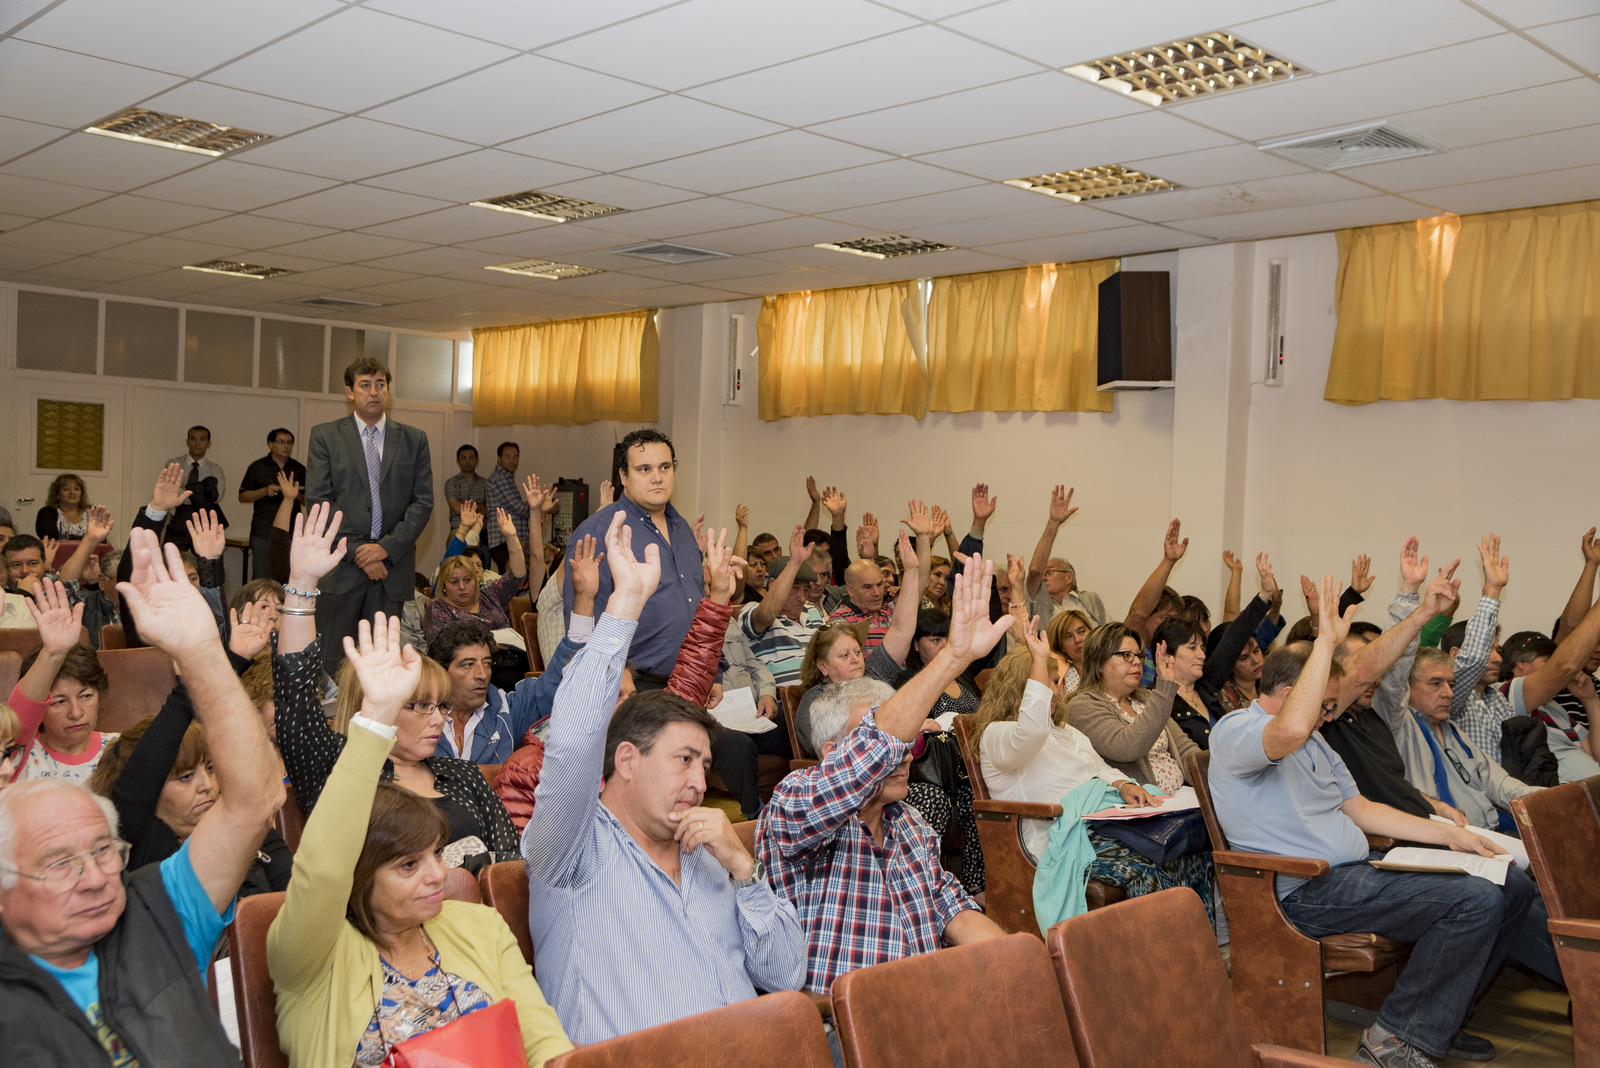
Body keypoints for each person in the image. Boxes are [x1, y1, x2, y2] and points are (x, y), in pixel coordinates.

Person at [1209, 575, 1533, 1067]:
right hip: (1303, 889)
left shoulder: (1316, 738)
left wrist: (1452, 835)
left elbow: (1362, 809)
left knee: (1511, 884)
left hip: (1357, 873)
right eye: (1322, 704)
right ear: (1293, 691)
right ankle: (1396, 1041)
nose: (1328, 715)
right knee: (1473, 901)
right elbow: (1292, 725)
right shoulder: (1238, 730)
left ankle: (1437, 1017)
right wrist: (1324, 639)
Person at [0, 526, 282, 1065]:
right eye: (59, 864)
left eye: (105, 850)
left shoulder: (157, 912)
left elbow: (254, 799)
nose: (95, 877)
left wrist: (203, 652)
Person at [524, 512, 805, 1044]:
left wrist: (745, 872)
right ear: (626, 761)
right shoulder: (571, 848)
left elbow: (787, 976)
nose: (700, 781)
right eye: (683, 761)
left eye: (703, 764)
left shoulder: (707, 851)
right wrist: (624, 602)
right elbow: (575, 734)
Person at [267, 612, 571, 1068]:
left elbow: (548, 1046)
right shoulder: (315, 958)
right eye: (408, 865)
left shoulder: (482, 928)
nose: (437, 875)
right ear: (359, 871)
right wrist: (377, 720)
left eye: (434, 854)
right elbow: (324, 865)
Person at [758, 554, 1009, 994]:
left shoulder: (908, 823)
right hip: (840, 1024)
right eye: (889, 742)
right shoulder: (795, 802)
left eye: (908, 742)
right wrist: (950, 659)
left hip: (924, 1007)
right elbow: (872, 752)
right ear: (835, 752)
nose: (904, 755)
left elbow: (953, 910)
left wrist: (1017, 966)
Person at [273, 504, 517, 868]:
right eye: (421, 706)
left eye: (441, 706)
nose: (438, 720)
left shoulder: (463, 774)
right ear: (372, 706)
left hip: (478, 920)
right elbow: (297, 701)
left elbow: (511, 865)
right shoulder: (341, 772)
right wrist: (303, 587)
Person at [971, 637, 1213, 916]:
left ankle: (1195, 946)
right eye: (1047, 682)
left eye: (1056, 681)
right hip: (1057, 842)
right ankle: (1152, 957)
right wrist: (1039, 660)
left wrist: (1122, 784)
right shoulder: (998, 734)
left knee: (1190, 850)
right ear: (1021, 688)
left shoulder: (1065, 731)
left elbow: (1100, 768)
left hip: (1100, 826)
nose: (1056, 690)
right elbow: (1031, 731)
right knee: (1149, 862)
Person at [306, 356, 435, 676]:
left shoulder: (414, 439)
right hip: (342, 569)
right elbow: (319, 501)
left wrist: (385, 549)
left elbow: (423, 503)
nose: (374, 392)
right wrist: (360, 552)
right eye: (365, 385)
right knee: (332, 668)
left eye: (380, 385)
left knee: (382, 667)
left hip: (391, 573)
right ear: (350, 392)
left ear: (388, 391)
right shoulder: (325, 436)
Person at [561, 429, 703, 690]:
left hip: (691, 680)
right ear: (624, 476)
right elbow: (582, 623)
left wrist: (711, 674)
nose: (658, 478)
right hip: (632, 688)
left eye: (665, 467)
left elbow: (697, 601)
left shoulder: (681, 527)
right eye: (644, 469)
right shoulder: (599, 532)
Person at [1067, 621, 1201, 798]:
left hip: (1180, 798)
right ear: (1099, 662)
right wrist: (1164, 689)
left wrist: (1216, 773)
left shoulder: (1144, 698)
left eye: (1139, 655)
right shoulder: (1082, 706)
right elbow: (1127, 747)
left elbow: (1185, 749)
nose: (1137, 662)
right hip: (1135, 809)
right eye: (1127, 655)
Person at [427, 616, 579, 765]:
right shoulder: (419, 717)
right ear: (442, 671)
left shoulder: (504, 709)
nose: (482, 674)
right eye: (468, 665)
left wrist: (583, 602)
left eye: (486, 663)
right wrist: (495, 773)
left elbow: (552, 686)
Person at [7, 582, 116, 785]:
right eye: (59, 701)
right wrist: (53, 654)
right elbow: (19, 717)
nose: (76, 712)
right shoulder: (16, 755)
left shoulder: (118, 749)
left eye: (86, 696)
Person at [740, 526, 826, 689]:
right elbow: (766, 615)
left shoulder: (812, 612)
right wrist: (794, 563)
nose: (802, 598)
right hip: (782, 703)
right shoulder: (751, 610)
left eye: (806, 590)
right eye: (794, 588)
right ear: (772, 584)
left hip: (823, 695)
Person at [1025, 485, 1108, 628]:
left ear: (1069, 577)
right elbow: (1034, 571)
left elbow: (1110, 634)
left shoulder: (1090, 599)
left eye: (1049, 572)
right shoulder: (1039, 601)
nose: (1044, 577)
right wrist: (1053, 524)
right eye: (1043, 574)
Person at [238, 427, 307, 579]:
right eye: (281, 442)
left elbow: (309, 499)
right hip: (264, 532)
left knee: (289, 577)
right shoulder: (257, 467)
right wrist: (265, 491)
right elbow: (242, 496)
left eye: (289, 442)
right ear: (271, 444)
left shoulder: (299, 469)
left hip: (291, 534)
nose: (286, 446)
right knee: (261, 578)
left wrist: (295, 496)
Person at [162, 426, 227, 554]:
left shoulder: (215, 469)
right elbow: (169, 491)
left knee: (207, 567)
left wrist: (184, 489)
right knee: (169, 563)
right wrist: (201, 491)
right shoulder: (174, 464)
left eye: (202, 439)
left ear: (208, 444)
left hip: (205, 526)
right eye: (193, 439)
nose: (197, 443)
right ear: (187, 442)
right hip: (177, 524)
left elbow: (216, 496)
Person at [484, 442, 529, 574]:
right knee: (511, 582)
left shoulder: (507, 478)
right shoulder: (500, 479)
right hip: (503, 541)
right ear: (499, 458)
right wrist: (538, 507)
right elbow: (520, 509)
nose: (512, 461)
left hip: (507, 541)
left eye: (515, 457)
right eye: (507, 457)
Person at [444, 444, 488, 535]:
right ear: (458, 461)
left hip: (481, 532)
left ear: (477, 460)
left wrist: (463, 506)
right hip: (458, 531)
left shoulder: (486, 483)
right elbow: (456, 508)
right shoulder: (451, 483)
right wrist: (480, 507)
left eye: (471, 458)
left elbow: (488, 510)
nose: (467, 461)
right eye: (463, 458)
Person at [35, 473, 90, 540]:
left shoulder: (92, 511)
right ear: (57, 493)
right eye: (66, 489)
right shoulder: (46, 513)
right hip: (57, 550)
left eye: (76, 489)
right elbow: (47, 537)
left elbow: (101, 538)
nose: (72, 492)